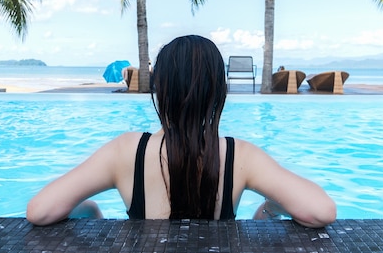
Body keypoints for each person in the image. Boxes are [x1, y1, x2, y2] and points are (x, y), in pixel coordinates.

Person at [26, 35, 336, 227]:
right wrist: (271, 207)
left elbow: (40, 211)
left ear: (160, 89)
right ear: (217, 93)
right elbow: (321, 211)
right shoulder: (238, 156)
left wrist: (91, 213)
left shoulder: (125, 152)